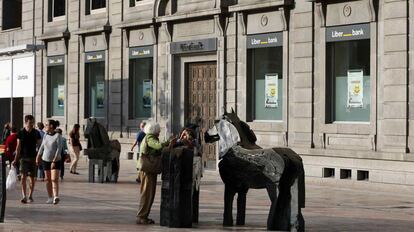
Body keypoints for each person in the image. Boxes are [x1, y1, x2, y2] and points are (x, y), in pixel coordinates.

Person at [136, 122, 173, 225]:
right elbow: (157, 146)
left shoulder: (150, 137)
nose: (159, 132)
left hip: (150, 170)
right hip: (147, 170)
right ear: (155, 130)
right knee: (147, 194)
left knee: (149, 194)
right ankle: (141, 216)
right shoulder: (150, 137)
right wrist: (168, 141)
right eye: (158, 130)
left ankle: (144, 216)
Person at [12, 115, 42, 204]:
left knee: (32, 179)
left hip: (33, 157)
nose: (32, 124)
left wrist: (39, 156)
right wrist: (15, 159)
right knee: (23, 177)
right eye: (30, 122)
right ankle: (24, 196)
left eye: (33, 122)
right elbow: (18, 147)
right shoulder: (21, 133)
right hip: (23, 158)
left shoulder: (36, 133)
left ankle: (30, 195)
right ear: (26, 122)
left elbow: (40, 146)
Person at [36, 120, 62, 205]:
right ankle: (50, 197)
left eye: (46, 125)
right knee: (48, 179)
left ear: (51, 126)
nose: (45, 126)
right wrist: (38, 156)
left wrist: (54, 160)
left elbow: (59, 148)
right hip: (45, 159)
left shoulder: (58, 136)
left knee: (54, 179)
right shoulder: (46, 135)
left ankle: (56, 196)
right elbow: (42, 146)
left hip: (55, 160)